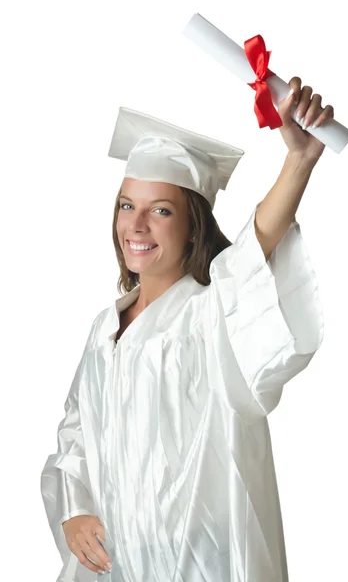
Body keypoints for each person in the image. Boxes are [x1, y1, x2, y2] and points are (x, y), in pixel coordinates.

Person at [41, 76, 332, 582]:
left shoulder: (208, 313)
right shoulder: (104, 329)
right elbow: (75, 432)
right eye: (127, 206)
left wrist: (299, 161)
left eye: (161, 211)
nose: (137, 226)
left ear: (193, 224)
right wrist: (74, 508)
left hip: (199, 562)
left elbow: (254, 248)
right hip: (112, 564)